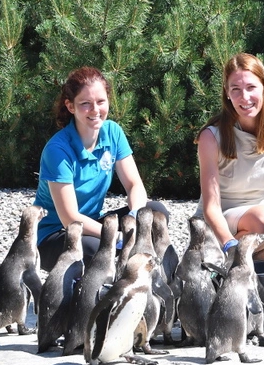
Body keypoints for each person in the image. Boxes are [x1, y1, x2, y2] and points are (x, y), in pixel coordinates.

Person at [34, 66, 170, 271]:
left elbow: (134, 185)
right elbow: (69, 217)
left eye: (100, 101)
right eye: (85, 104)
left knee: (155, 213)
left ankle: (137, 276)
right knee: (94, 248)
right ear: (70, 106)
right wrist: (116, 237)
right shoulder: (57, 150)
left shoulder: (113, 132)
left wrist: (134, 217)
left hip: (94, 223)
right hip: (56, 234)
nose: (95, 110)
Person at [195, 53, 264, 261]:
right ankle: (226, 258)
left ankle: (248, 263)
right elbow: (211, 207)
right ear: (227, 93)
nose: (244, 97)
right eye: (235, 89)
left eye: (251, 87)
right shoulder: (211, 137)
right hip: (221, 221)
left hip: (262, 217)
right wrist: (228, 243)